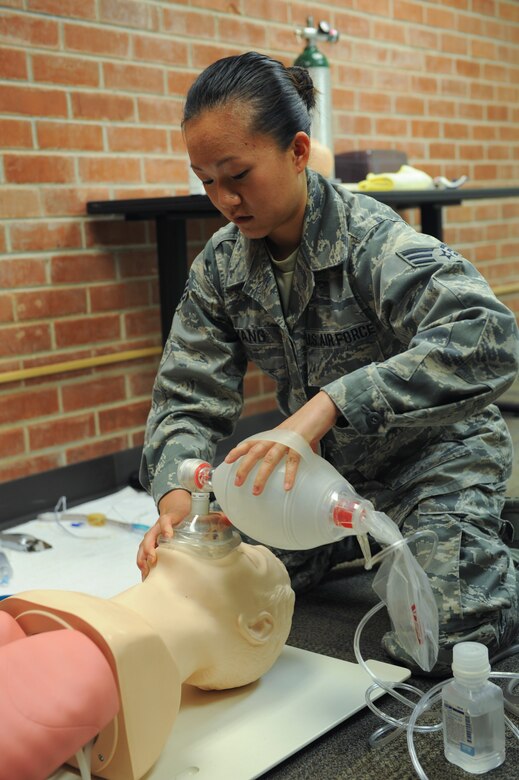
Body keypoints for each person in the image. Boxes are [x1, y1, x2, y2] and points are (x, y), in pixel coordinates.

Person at [138, 51, 519, 675]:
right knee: (210, 588)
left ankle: (472, 550)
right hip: (318, 481)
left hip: (433, 460)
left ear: (297, 151)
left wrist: (326, 407)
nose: (225, 198)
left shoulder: (374, 240)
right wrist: (178, 503)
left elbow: (487, 337)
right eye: (205, 180)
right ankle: (375, 549)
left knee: (451, 641)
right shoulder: (221, 267)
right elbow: (186, 395)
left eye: (237, 173)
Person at [0, 530, 294, 780]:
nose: (219, 534)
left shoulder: (89, 665)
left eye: (249, 558)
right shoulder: (28, 624)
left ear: (257, 626)